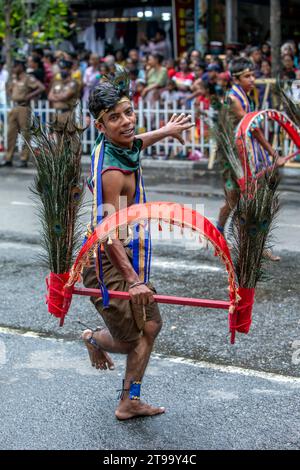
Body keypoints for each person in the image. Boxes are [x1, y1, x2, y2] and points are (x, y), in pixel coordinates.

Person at [81, 68, 194, 420]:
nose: (126, 122)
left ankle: (130, 400)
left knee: (151, 326)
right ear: (100, 128)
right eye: (114, 118)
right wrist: (132, 280)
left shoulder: (123, 146)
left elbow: (136, 140)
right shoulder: (110, 172)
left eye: (128, 112)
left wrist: (168, 130)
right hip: (107, 263)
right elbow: (107, 231)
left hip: (129, 253)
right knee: (131, 338)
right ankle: (93, 338)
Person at [216, 58, 285, 261]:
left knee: (249, 200)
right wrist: (274, 153)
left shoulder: (245, 95)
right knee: (233, 200)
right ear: (236, 79)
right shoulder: (234, 99)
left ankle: (254, 246)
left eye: (253, 75)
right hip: (235, 159)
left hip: (246, 154)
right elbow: (253, 130)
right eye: (248, 76)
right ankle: (219, 235)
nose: (253, 79)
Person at [0, 58, 45, 168]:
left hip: (24, 108)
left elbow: (41, 87)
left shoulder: (28, 78)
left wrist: (29, 96)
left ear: (20, 66)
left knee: (25, 134)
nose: (14, 69)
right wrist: (12, 94)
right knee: (10, 134)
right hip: (14, 107)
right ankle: (8, 158)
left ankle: (24, 159)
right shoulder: (14, 78)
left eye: (15, 66)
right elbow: (9, 88)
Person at [48, 60, 80, 129]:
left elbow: (65, 97)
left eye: (64, 68)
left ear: (69, 70)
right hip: (56, 114)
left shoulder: (73, 83)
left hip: (67, 113)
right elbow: (50, 97)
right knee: (58, 138)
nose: (62, 70)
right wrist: (60, 96)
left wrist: (55, 96)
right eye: (61, 68)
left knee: (70, 138)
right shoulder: (56, 82)